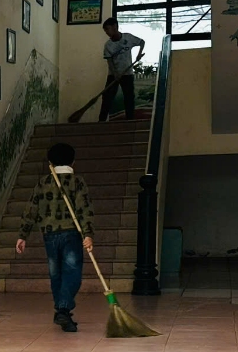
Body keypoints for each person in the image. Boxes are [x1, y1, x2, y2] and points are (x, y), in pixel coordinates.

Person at [15, 143, 95, 331]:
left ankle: (61, 310)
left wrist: (22, 235)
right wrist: (88, 233)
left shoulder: (43, 183)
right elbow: (84, 209)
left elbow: (31, 209)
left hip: (49, 235)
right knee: (72, 272)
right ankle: (63, 309)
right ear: (73, 162)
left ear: (50, 163)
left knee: (56, 273)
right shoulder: (77, 182)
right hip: (71, 233)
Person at [99, 18, 145, 121]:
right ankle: (101, 121)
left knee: (129, 97)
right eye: (105, 30)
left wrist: (139, 54)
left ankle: (130, 120)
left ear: (115, 27)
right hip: (113, 75)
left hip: (127, 74)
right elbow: (110, 62)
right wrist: (116, 74)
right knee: (107, 97)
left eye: (107, 29)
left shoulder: (128, 38)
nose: (106, 32)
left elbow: (142, 42)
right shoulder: (108, 45)